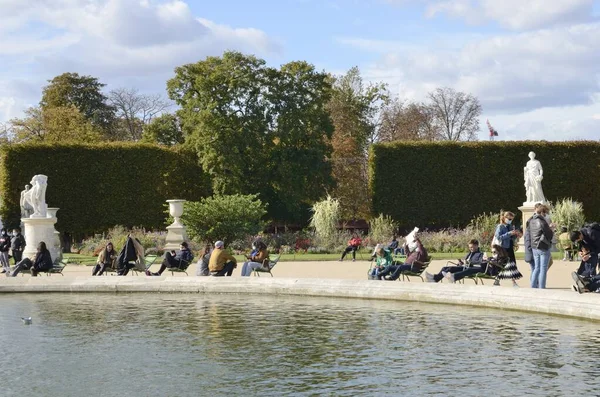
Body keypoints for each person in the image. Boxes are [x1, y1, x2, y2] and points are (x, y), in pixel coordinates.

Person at [528, 204, 554, 289]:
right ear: (542, 212)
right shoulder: (542, 221)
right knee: (543, 269)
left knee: (537, 268)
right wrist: (552, 229)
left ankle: (533, 286)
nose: (546, 215)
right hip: (542, 246)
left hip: (534, 246)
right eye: (545, 213)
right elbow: (549, 234)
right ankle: (542, 287)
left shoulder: (531, 220)